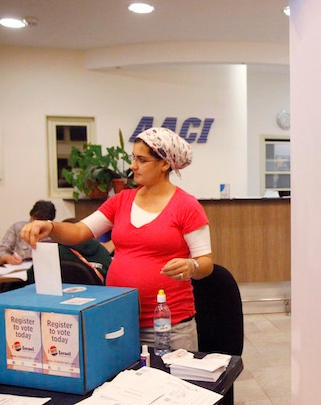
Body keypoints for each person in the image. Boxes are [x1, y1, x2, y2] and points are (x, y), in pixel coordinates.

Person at [22, 127, 213, 350]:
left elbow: (206, 263)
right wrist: (50, 226)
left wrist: (192, 266)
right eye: (134, 158)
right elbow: (78, 232)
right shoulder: (121, 201)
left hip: (168, 326)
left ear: (164, 164)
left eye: (142, 160)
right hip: (119, 322)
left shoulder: (187, 206)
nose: (133, 166)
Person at [0, 200, 56, 265]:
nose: (36, 224)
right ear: (31, 216)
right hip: (18, 267)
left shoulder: (55, 233)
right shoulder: (17, 227)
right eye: (35, 219)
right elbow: (1, 250)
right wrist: (7, 258)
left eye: (42, 221)